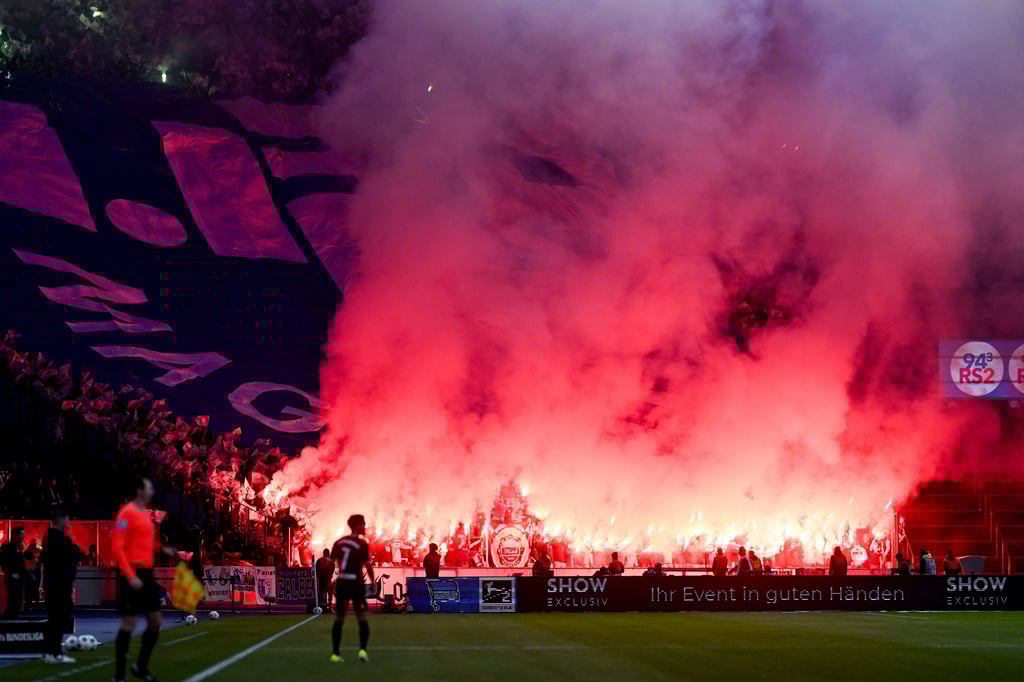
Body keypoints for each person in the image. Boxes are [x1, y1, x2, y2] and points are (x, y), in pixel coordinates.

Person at [112, 477, 175, 682]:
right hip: (132, 572)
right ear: (140, 491)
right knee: (129, 623)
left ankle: (140, 666)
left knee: (156, 622)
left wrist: (163, 549)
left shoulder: (145, 515)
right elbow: (118, 547)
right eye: (149, 488)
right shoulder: (126, 513)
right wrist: (130, 576)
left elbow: (145, 544)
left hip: (147, 573)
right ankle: (119, 675)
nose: (152, 491)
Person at [329, 514, 374, 664]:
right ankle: (363, 651)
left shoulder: (338, 542)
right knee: (361, 617)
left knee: (339, 618)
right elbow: (368, 565)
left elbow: (330, 563)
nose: (365, 527)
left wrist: (330, 581)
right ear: (357, 526)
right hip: (355, 583)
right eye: (363, 524)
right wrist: (373, 581)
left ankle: (335, 654)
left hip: (342, 581)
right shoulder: (362, 544)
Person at [41, 509, 81, 664]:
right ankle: (54, 652)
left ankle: (50, 652)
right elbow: (77, 552)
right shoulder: (58, 538)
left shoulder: (51, 537)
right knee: (59, 617)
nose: (69, 523)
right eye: (68, 519)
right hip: (59, 584)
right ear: (61, 520)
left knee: (56, 618)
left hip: (55, 583)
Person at [2, 526, 26, 617]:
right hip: (12, 578)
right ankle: (10, 617)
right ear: (16, 535)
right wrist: (12, 574)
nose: (23, 537)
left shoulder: (18, 547)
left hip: (17, 578)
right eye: (22, 534)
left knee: (16, 600)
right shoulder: (9, 547)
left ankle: (12, 616)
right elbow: (4, 562)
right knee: (13, 599)